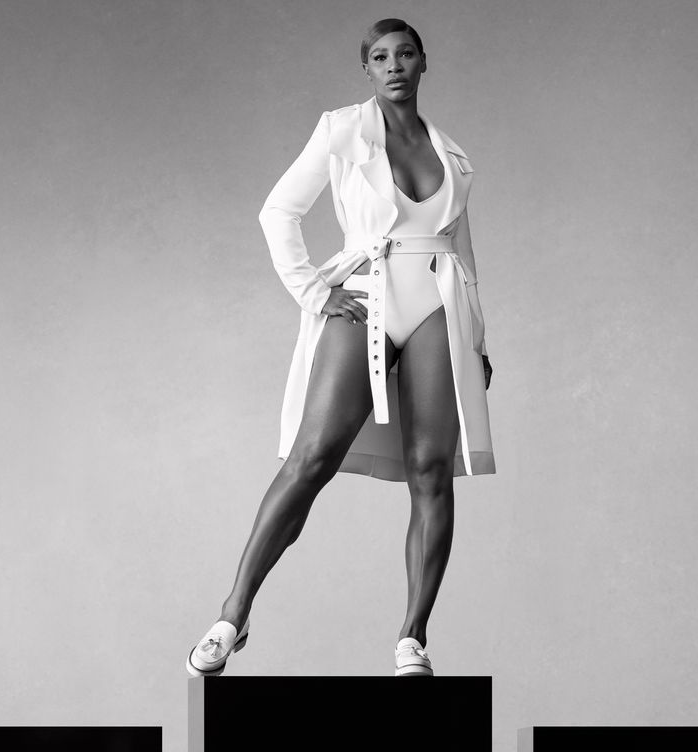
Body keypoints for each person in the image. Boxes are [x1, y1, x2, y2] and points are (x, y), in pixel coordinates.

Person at [186, 17, 495, 679]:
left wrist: (479, 337)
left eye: (405, 54)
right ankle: (233, 614)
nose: (394, 65)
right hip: (366, 293)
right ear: (367, 69)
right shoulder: (342, 130)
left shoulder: (454, 156)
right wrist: (312, 292)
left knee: (432, 469)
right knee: (312, 457)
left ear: (423, 62)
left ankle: (412, 639)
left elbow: (462, 249)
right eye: (380, 57)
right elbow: (278, 211)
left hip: (439, 304)